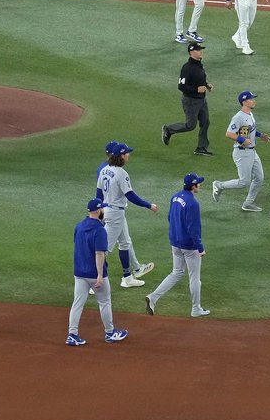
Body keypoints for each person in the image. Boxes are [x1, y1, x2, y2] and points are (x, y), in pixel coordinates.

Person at [142, 173, 210, 317]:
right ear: (194, 186)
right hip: (189, 246)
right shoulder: (193, 203)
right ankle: (196, 308)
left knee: (177, 272)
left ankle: (153, 297)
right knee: (194, 277)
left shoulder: (175, 197)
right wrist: (200, 248)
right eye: (198, 183)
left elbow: (169, 217)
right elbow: (193, 228)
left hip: (175, 242)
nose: (200, 185)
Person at [94, 141, 158, 288]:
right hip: (115, 213)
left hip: (108, 210)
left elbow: (98, 192)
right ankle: (94, 280)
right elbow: (131, 196)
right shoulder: (121, 174)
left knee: (124, 244)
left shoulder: (105, 169)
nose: (129, 155)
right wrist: (149, 205)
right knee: (103, 249)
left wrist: (100, 209)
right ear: (121, 156)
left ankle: (127, 278)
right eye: (127, 153)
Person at [66, 198, 128, 346]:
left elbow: (79, 246)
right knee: (105, 302)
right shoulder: (100, 230)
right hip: (95, 274)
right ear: (99, 210)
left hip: (79, 272)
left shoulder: (79, 226)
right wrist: (100, 275)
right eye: (103, 209)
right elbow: (99, 254)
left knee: (77, 303)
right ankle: (110, 333)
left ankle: (72, 334)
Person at [211, 91, 270, 211]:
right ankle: (219, 185)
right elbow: (229, 133)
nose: (254, 100)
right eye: (251, 99)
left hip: (252, 152)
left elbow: (249, 130)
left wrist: (260, 135)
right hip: (242, 153)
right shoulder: (238, 117)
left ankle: (248, 203)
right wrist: (241, 139)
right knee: (244, 182)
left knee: (259, 178)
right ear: (244, 102)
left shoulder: (249, 114)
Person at [161, 40, 214, 156]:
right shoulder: (187, 68)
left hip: (201, 100)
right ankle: (169, 129)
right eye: (198, 50)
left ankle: (201, 147)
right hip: (191, 101)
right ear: (191, 52)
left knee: (205, 122)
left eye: (201, 50)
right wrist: (196, 90)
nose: (201, 52)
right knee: (191, 125)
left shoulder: (199, 64)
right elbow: (181, 86)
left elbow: (199, 80)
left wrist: (206, 85)